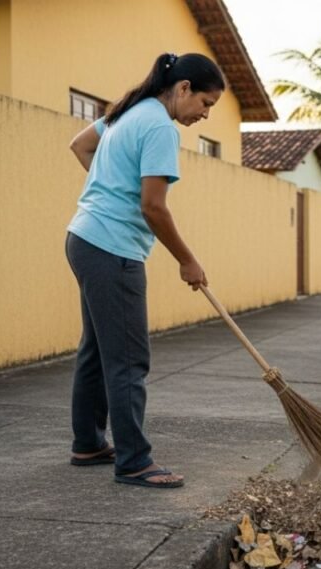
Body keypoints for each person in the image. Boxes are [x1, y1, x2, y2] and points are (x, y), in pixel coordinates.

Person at [64, 52, 224, 488]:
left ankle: (89, 443)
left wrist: (110, 187)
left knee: (98, 350)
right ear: (184, 88)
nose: (205, 115)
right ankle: (134, 461)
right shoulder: (158, 127)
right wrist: (187, 260)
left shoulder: (129, 112)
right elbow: (153, 207)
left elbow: (80, 145)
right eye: (206, 103)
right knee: (129, 360)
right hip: (111, 249)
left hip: (84, 238)